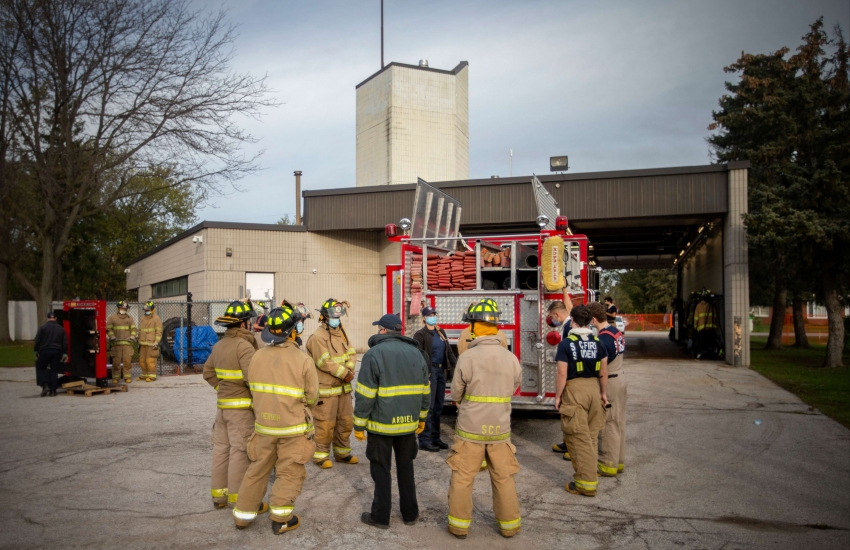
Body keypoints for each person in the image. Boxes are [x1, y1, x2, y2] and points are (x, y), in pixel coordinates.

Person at [233, 305, 318, 535]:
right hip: (292, 429)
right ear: (292, 332)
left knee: (257, 470)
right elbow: (312, 397)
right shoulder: (303, 360)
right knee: (289, 472)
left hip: (263, 427)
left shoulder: (257, 355)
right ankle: (281, 519)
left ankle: (242, 516)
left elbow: (252, 387)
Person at [447, 299, 523, 539]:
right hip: (500, 430)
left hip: (470, 430)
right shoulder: (510, 357)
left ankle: (459, 526)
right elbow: (514, 387)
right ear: (495, 327)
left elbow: (456, 393)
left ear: (473, 328)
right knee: (503, 478)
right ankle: (509, 526)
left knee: (463, 476)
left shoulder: (468, 358)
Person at [354, 313, 430, 530]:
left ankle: (380, 516)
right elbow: (426, 391)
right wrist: (421, 418)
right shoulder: (417, 353)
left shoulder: (374, 354)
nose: (378, 331)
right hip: (408, 427)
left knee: (381, 471)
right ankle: (410, 514)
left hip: (381, 427)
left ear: (384, 331)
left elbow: (365, 394)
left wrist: (359, 424)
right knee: (406, 469)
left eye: (379, 328)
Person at [202, 300, 259, 509]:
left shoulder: (219, 345)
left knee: (221, 450)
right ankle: (239, 499)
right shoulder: (244, 346)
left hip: (223, 409)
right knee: (239, 452)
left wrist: (222, 390)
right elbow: (252, 380)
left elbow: (207, 373)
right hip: (241, 411)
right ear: (243, 324)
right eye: (249, 320)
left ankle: (220, 497)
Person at [554, 304, 608, 497]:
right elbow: (603, 372)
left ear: (574, 321)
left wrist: (558, 396)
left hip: (575, 390)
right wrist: (603, 394)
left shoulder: (566, 344)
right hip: (594, 388)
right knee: (591, 436)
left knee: (578, 438)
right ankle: (591, 472)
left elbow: (562, 373)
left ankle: (586, 483)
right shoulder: (598, 342)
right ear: (590, 321)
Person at [305, 298, 358, 468]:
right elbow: (323, 362)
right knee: (325, 424)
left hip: (343, 389)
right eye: (334, 316)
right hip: (327, 390)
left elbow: (351, 352)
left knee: (345, 421)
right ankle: (320, 456)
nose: (337, 319)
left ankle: (343, 453)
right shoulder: (317, 337)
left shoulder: (341, 333)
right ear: (324, 317)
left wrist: (349, 370)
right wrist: (344, 373)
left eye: (339, 315)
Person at [589, 302, 627, 477]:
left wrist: (601, 391)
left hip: (610, 381)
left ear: (594, 319)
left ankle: (607, 464)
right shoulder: (615, 332)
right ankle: (618, 461)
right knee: (618, 422)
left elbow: (601, 368)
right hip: (620, 378)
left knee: (608, 424)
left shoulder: (603, 339)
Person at [413, 305, 457, 452]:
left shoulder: (440, 332)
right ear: (424, 318)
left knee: (438, 407)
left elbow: (449, 352)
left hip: (440, 372)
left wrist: (458, 368)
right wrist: (425, 376)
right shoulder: (420, 334)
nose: (433, 316)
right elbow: (418, 356)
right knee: (428, 408)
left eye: (434, 314)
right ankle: (424, 440)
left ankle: (435, 438)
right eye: (430, 315)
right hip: (430, 372)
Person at [34, 311, 68, 397]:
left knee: (41, 368)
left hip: (45, 350)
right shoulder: (61, 328)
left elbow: (37, 340)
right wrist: (64, 353)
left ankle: (45, 385)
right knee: (54, 370)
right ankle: (53, 390)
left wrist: (36, 350)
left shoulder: (42, 328)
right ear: (56, 318)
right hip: (56, 351)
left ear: (47, 318)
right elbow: (64, 342)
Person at [106, 300, 137, 384]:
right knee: (116, 362)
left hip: (127, 344)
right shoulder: (112, 318)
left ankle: (127, 377)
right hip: (116, 344)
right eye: (122, 308)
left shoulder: (129, 318)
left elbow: (134, 329)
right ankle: (116, 377)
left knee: (127, 361)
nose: (124, 309)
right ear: (118, 308)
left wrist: (132, 336)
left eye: (125, 308)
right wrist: (112, 336)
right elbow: (108, 328)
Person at [137, 301, 163, 382]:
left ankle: (152, 375)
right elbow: (140, 330)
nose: (146, 311)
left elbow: (159, 331)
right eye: (145, 310)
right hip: (143, 343)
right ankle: (144, 375)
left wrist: (156, 341)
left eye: (147, 310)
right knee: (142, 360)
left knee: (150, 360)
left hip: (152, 344)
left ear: (152, 309)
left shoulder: (156, 319)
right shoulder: (142, 318)